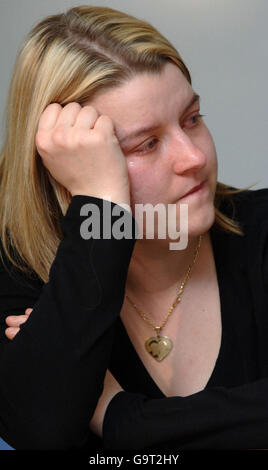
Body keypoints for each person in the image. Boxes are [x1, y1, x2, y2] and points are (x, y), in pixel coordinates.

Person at [0, 4, 267, 451]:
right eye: (146, 144)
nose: (194, 157)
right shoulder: (18, 273)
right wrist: (101, 203)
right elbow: (40, 433)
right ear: (66, 169)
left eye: (192, 119)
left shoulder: (260, 230)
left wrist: (125, 419)